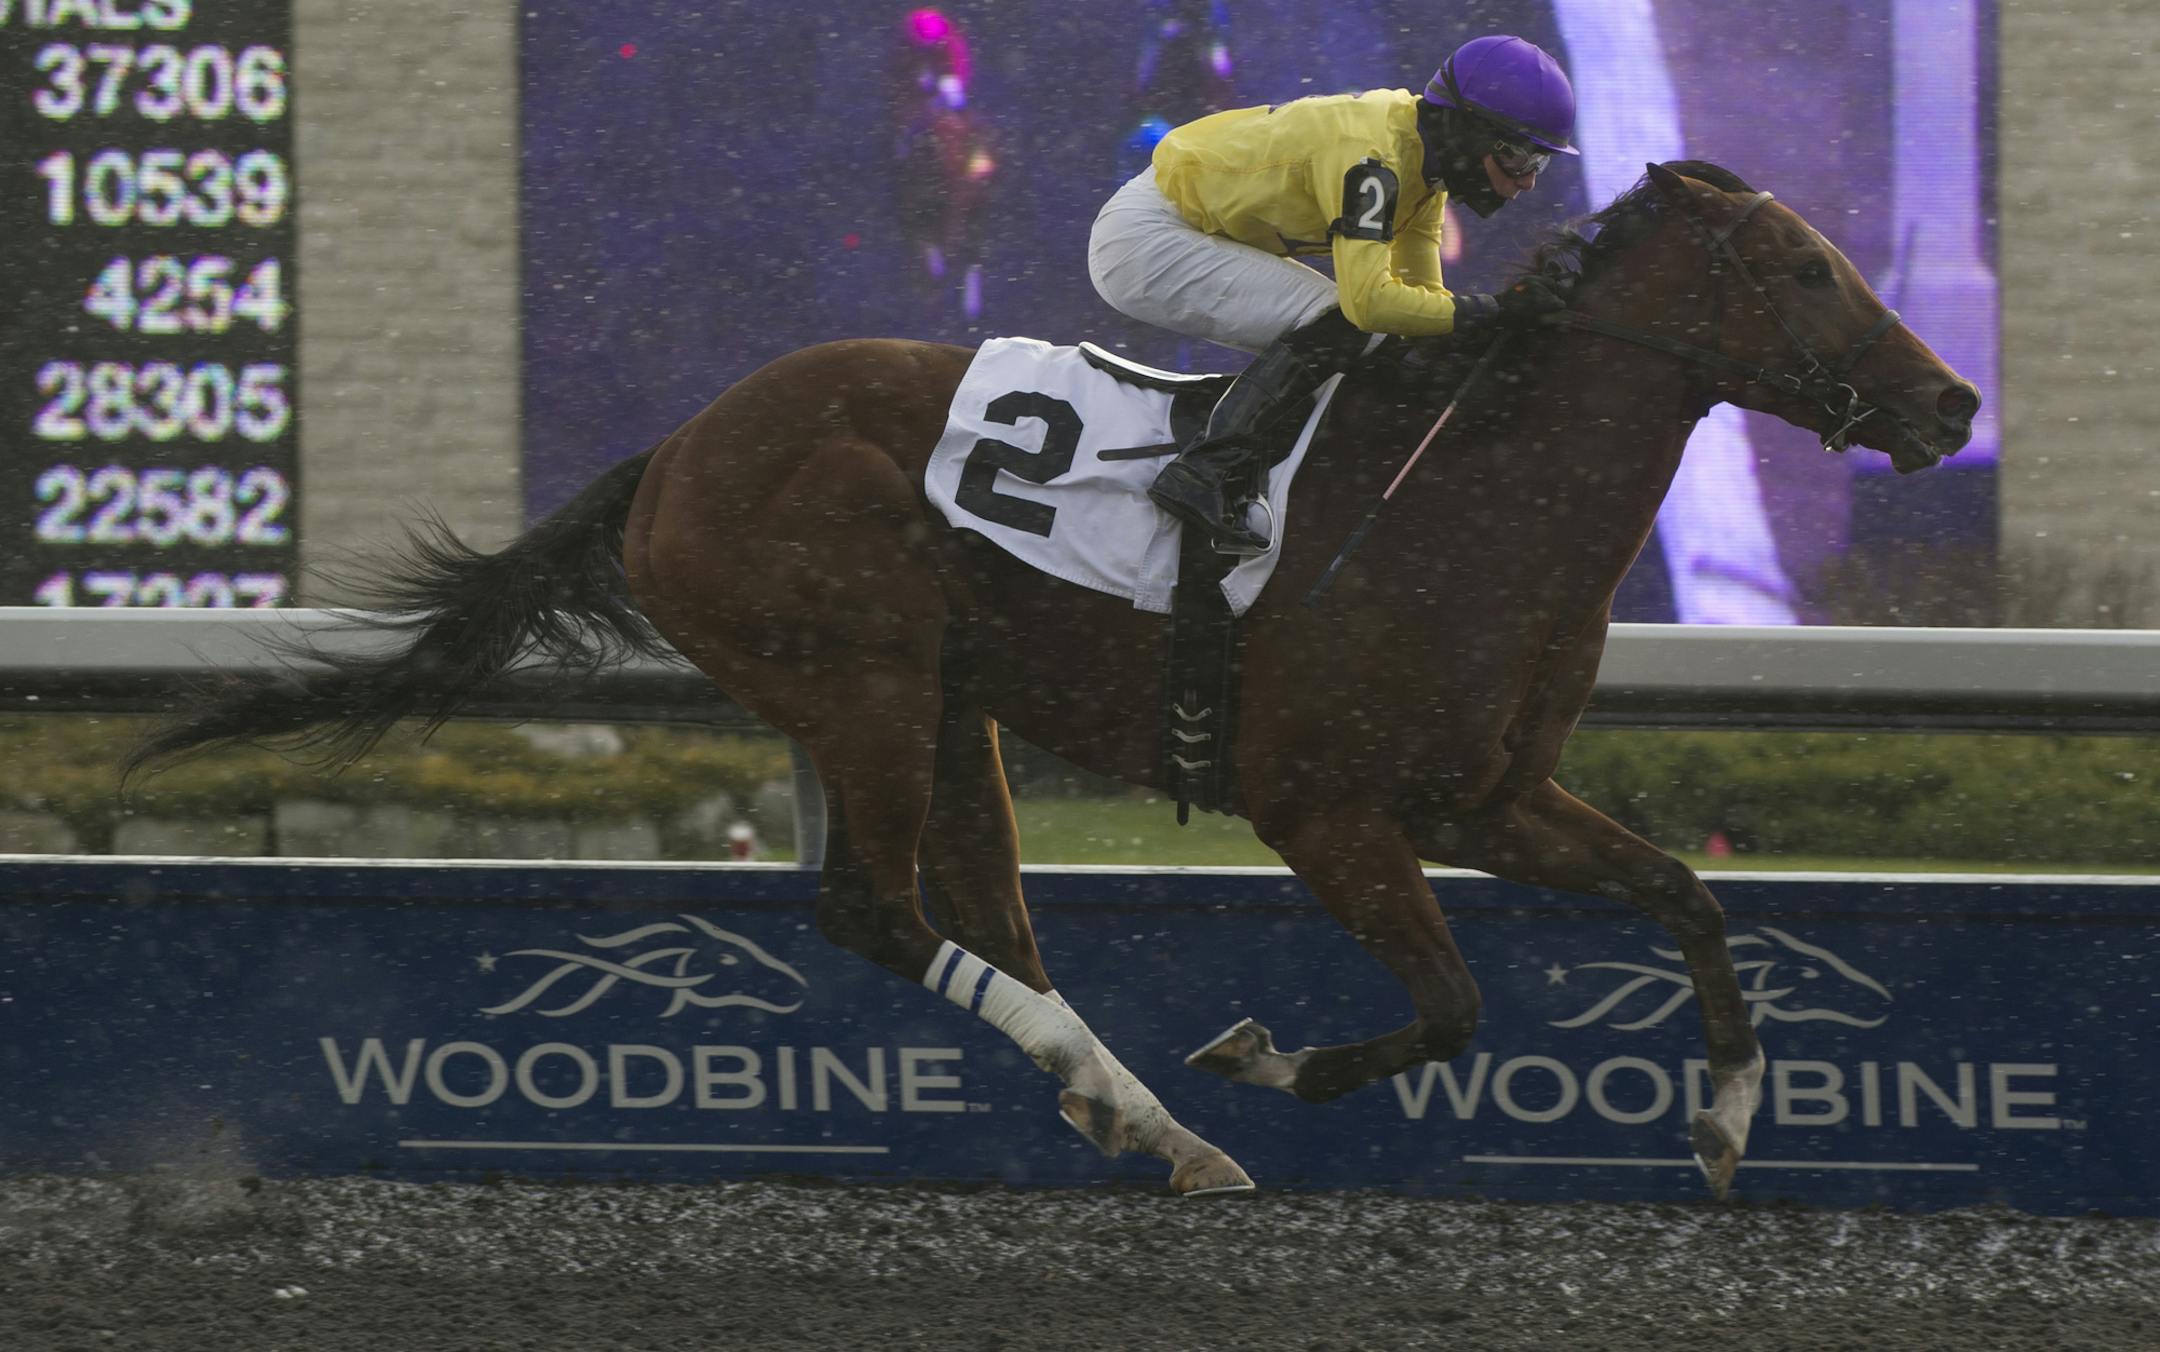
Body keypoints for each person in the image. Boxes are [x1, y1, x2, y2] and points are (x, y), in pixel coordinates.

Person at [1088, 35, 1578, 552]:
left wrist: (1498, 320)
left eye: (1539, 165)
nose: (1526, 183)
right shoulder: (1373, 161)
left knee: (1386, 341)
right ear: (1470, 130)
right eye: (1521, 157)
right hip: (1146, 238)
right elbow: (1368, 305)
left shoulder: (1421, 160)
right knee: (1344, 320)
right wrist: (1497, 310)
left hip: (1179, 225)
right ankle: (1203, 472)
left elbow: (1423, 303)